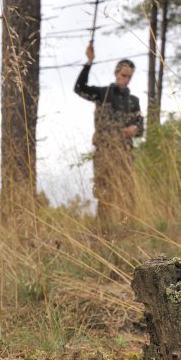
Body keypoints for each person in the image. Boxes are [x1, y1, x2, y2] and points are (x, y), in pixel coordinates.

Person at [74, 44, 143, 227]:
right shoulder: (101, 94)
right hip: (104, 152)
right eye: (123, 75)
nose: (126, 80)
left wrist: (134, 129)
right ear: (116, 73)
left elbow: (140, 126)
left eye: (129, 77)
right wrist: (89, 62)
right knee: (104, 192)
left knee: (128, 192)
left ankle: (127, 230)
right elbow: (79, 88)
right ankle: (102, 231)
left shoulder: (133, 101)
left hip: (125, 153)